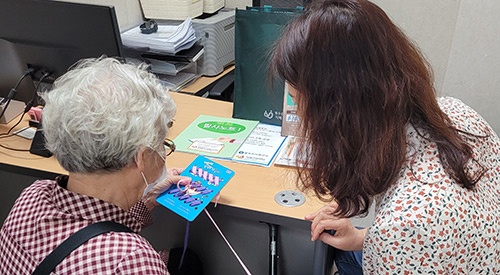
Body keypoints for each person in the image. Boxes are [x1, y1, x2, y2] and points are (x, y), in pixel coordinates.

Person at [270, 0, 500, 274]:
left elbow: (415, 234)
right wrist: (364, 239)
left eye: (297, 101)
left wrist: (383, 240)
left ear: (337, 113)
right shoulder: (457, 113)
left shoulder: (402, 227)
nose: (300, 115)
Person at [0, 57, 191, 274]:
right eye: (163, 143)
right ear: (140, 156)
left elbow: (82, 235)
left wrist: (144, 202)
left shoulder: (32, 196)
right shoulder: (132, 262)